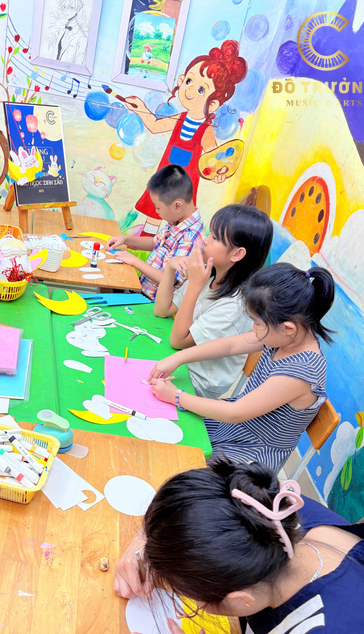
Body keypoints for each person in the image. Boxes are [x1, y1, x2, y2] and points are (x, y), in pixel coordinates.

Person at [114, 459, 364, 634]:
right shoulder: (272, 513)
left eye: (188, 597)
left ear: (241, 599)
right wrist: (150, 541)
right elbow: (205, 502)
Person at [148, 263, 335, 471]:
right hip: (232, 427)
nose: (253, 330)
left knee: (176, 468)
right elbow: (230, 345)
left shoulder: (301, 372)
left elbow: (234, 412)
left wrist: (176, 396)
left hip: (251, 454)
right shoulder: (284, 336)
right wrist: (179, 357)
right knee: (162, 435)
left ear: (287, 328)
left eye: (257, 323)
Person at [121, 41, 247, 236]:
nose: (189, 90)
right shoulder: (179, 118)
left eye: (201, 89)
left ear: (213, 104)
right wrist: (141, 109)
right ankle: (146, 243)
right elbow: (155, 126)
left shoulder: (206, 130)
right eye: (189, 81)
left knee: (177, 225)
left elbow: (212, 161)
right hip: (164, 177)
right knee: (154, 213)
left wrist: (218, 175)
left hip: (184, 186)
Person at [154, 204, 273, 399]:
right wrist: (170, 268)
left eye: (215, 238)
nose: (205, 240)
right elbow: (161, 310)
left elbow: (178, 342)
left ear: (237, 254)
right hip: (180, 362)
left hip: (197, 383)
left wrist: (194, 285)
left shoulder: (235, 306)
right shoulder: (210, 276)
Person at [107, 164, 205, 300]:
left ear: (177, 206)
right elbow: (155, 243)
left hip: (152, 303)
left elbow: (168, 280)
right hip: (141, 292)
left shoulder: (190, 237)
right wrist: (125, 239)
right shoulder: (177, 221)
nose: (156, 212)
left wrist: (134, 261)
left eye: (158, 207)